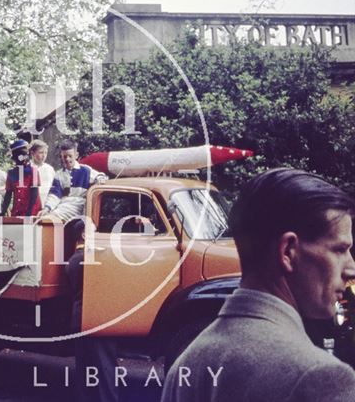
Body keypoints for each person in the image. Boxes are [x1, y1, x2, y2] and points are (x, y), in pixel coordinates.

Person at [161, 168, 355, 402]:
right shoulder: (323, 378)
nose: (351, 269)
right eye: (340, 250)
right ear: (288, 251)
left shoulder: (188, 364)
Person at [66, 219, 118, 402]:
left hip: (79, 318)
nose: (98, 235)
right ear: (83, 234)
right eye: (93, 231)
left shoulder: (74, 259)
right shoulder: (86, 258)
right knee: (105, 369)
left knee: (85, 368)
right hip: (95, 317)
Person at [37, 139, 107, 222]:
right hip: (63, 205)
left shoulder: (85, 170)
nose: (67, 159)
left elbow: (99, 176)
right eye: (64, 156)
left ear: (76, 155)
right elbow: (55, 195)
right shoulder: (59, 175)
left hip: (79, 205)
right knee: (47, 216)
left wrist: (100, 178)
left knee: (51, 218)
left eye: (70, 156)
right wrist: (47, 208)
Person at [2, 139, 42, 217]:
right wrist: (3, 211)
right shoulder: (11, 173)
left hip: (32, 213)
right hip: (17, 212)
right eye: (19, 155)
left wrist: (29, 212)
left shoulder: (33, 171)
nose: (23, 158)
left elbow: (34, 193)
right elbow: (8, 194)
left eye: (25, 155)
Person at [29, 139, 55, 207]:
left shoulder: (50, 169)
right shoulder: (27, 168)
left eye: (45, 153)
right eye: (41, 152)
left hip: (47, 203)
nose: (44, 155)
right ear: (32, 153)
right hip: (32, 203)